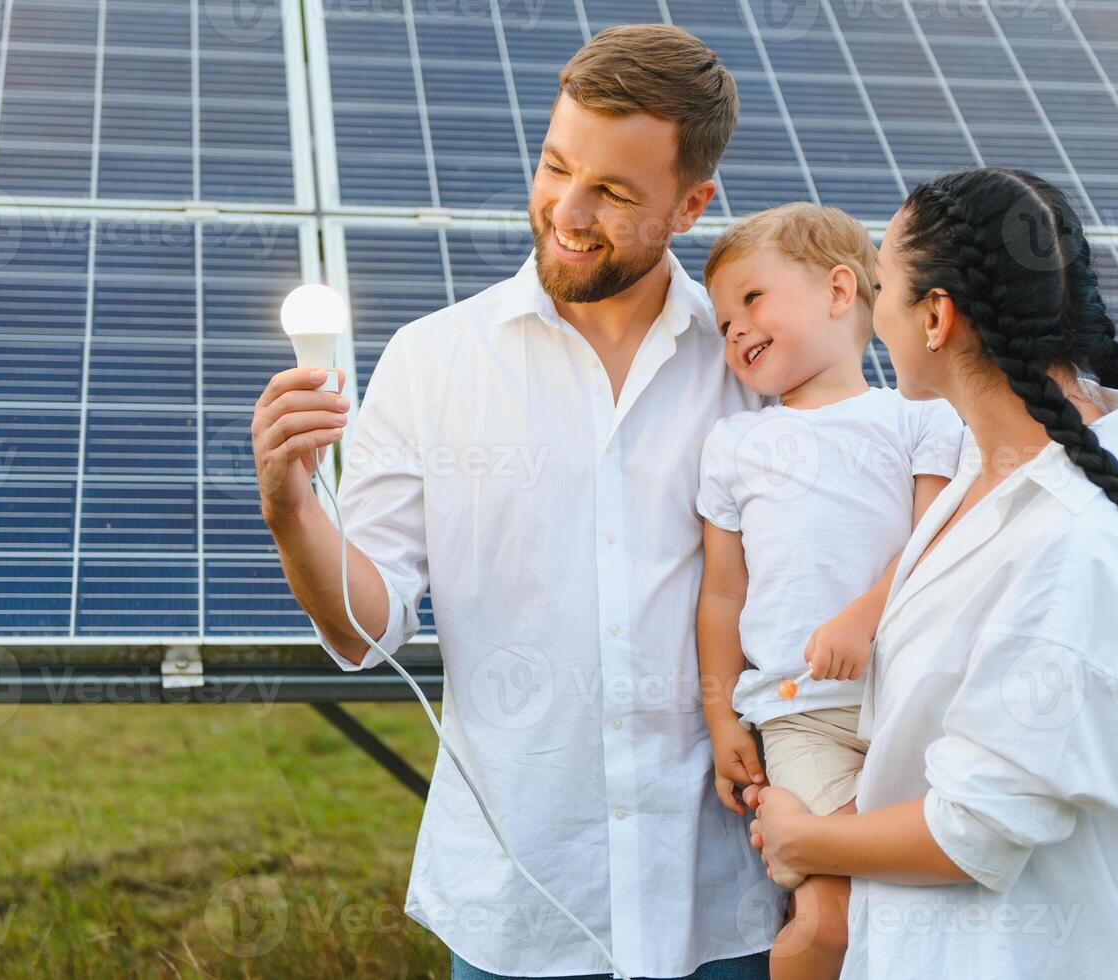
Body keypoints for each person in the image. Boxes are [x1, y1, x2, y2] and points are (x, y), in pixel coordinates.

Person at [255, 24, 779, 980]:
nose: (566, 213)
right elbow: (366, 633)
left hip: (726, 903)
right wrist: (296, 517)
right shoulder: (432, 361)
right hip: (522, 905)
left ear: (692, 204)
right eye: (554, 167)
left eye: (615, 193)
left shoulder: (758, 370)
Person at [744, 166, 1118, 979]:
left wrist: (804, 837)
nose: (869, 318)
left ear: (935, 316)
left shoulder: (1075, 545)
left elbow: (976, 828)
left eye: (880, 288)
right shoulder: (995, 454)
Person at [693, 203, 961, 979]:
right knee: (830, 917)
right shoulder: (735, 443)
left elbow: (935, 544)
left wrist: (861, 617)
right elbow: (720, 594)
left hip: (908, 702)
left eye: (752, 299)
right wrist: (720, 718)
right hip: (800, 713)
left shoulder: (915, 416)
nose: (735, 328)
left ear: (840, 290)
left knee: (915, 906)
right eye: (720, 321)